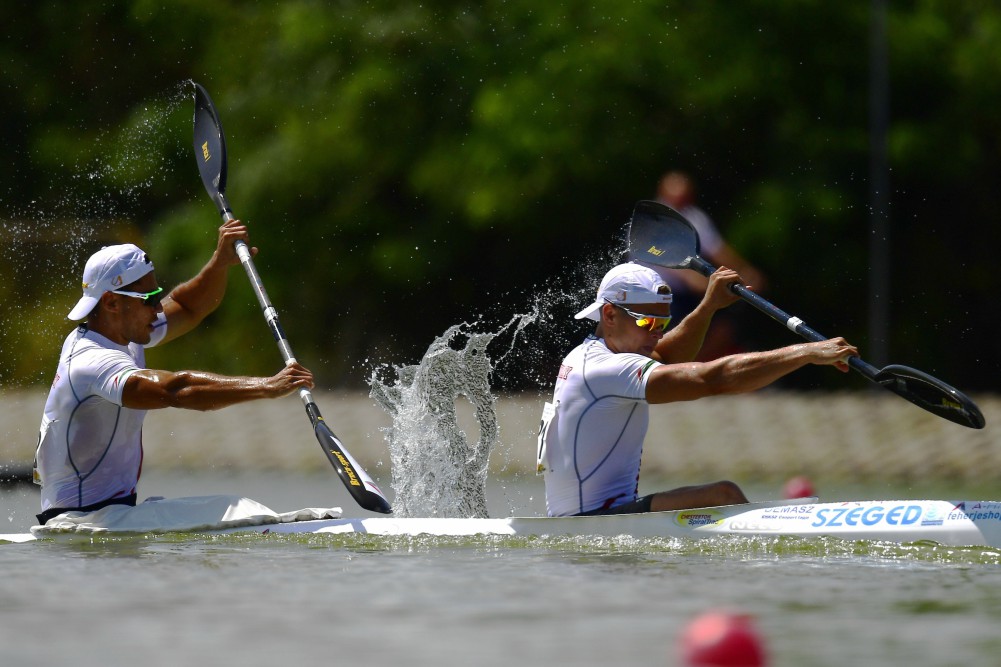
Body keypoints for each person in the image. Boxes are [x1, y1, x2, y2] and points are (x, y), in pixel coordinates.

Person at [32, 220, 315, 524]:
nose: (157, 309)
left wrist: (219, 263)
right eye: (149, 299)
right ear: (112, 302)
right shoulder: (91, 361)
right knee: (236, 509)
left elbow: (187, 306)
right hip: (80, 521)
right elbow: (174, 391)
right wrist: (267, 386)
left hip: (111, 514)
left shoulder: (121, 332)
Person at [538, 261, 857, 517]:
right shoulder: (604, 369)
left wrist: (709, 306)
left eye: (662, 324)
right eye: (648, 324)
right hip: (590, 523)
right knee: (724, 495)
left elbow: (668, 356)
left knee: (721, 497)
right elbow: (711, 379)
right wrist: (808, 353)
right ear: (609, 314)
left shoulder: (591, 353)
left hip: (600, 515)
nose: (658, 334)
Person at [655, 170, 767, 359]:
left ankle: (696, 367)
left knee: (727, 321)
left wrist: (744, 271)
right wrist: (695, 280)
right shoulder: (653, 218)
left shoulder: (694, 216)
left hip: (688, 292)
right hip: (658, 293)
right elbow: (660, 256)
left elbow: (717, 249)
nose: (681, 201)